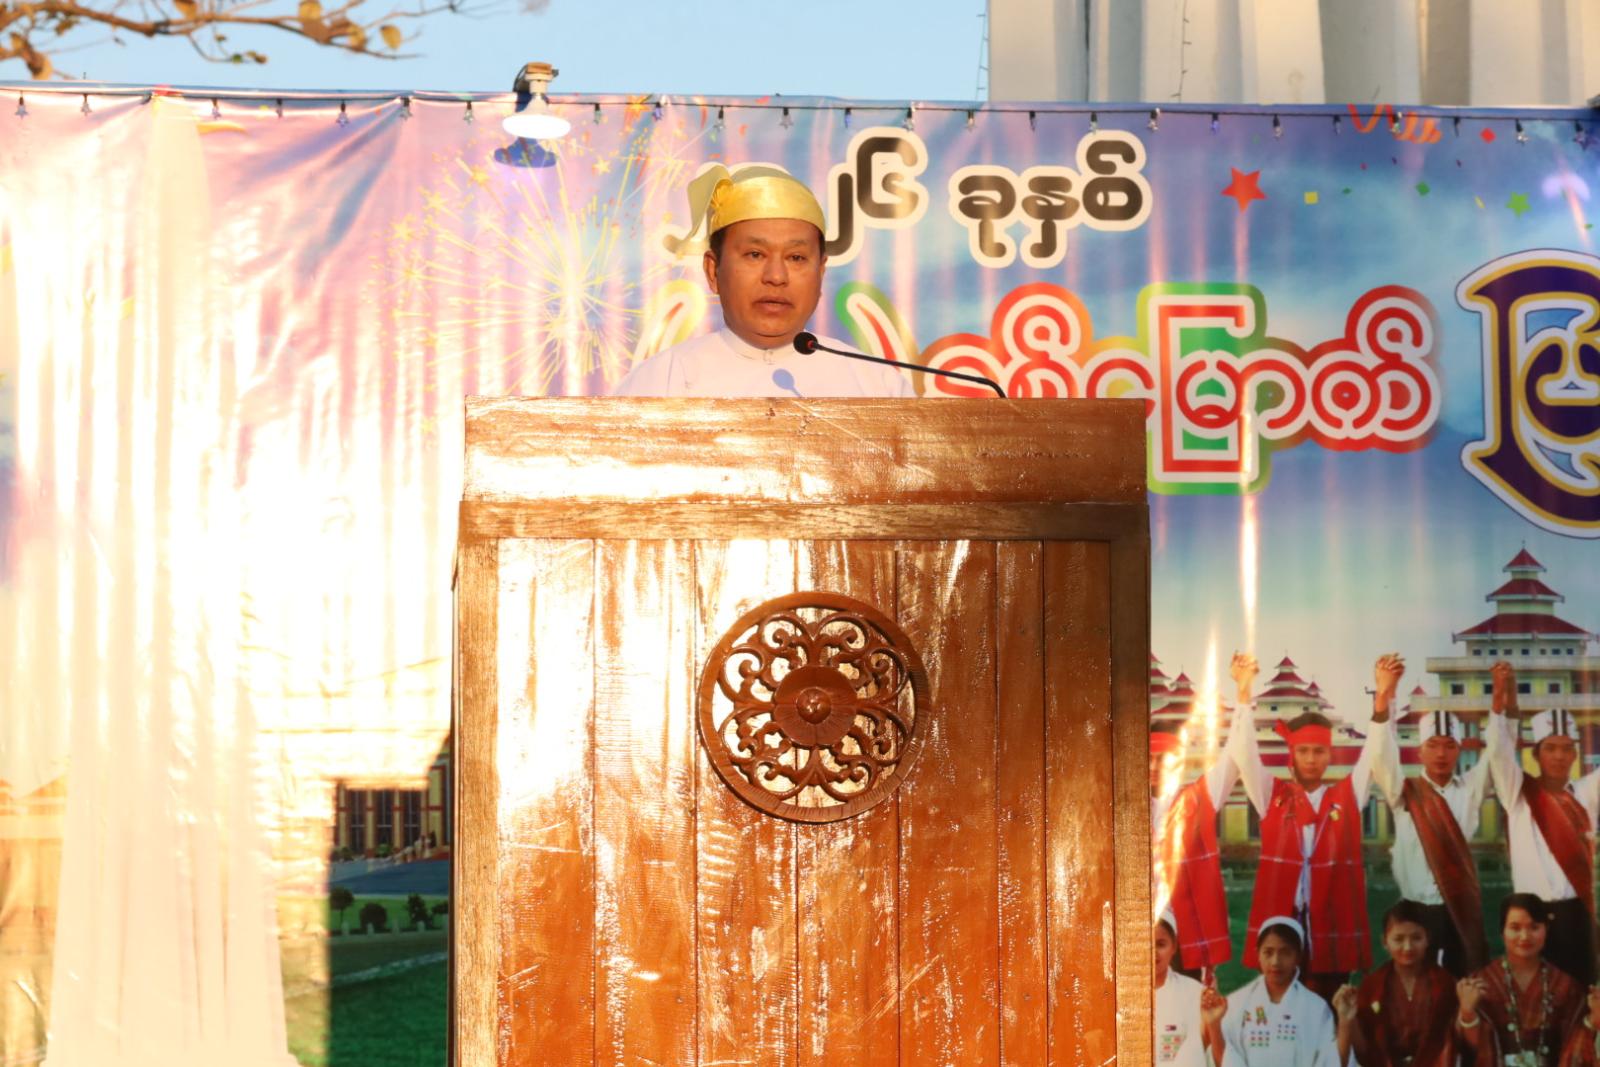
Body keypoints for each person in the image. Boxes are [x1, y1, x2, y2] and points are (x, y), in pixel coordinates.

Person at [612, 163, 913, 398]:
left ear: (821, 273)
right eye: (755, 255)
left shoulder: (876, 385)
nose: (776, 277)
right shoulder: (661, 382)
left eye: (796, 257)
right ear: (713, 271)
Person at [1230, 653, 1380, 1001]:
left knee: (1331, 1007)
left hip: (1331, 920)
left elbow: (1373, 754)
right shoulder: (1273, 796)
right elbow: (1244, 753)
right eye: (1303, 751)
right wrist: (1243, 692)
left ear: (1330, 755)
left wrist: (1382, 701)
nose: (1312, 759)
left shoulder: (1345, 796)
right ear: (1292, 754)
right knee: (1281, 1004)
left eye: (1319, 751)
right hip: (1286, 920)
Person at [1369, 653, 1490, 976]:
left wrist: (1502, 702)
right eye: (1433, 745)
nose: (1441, 753)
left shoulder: (1470, 789)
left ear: (1459, 750)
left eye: (1449, 745)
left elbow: (1498, 753)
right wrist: (1384, 696)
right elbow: (1381, 757)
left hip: (1460, 907)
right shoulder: (1404, 793)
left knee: (1464, 981)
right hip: (1416, 910)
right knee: (1418, 987)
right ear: (1420, 751)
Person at [1485, 660, 1600, 988]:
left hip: (1578, 916)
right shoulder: (1518, 794)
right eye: (1550, 748)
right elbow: (1499, 752)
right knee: (1533, 996)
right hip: (1530, 918)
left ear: (1575, 755)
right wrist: (1501, 696)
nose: (1559, 756)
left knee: (1581, 997)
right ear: (1536, 754)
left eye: (1566, 749)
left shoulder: (1587, 793)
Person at [1152, 654, 1260, 979]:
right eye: (1149, 757)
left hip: (1185, 928)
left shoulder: (1196, 798)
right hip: (1139, 927)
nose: (1155, 766)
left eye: (1164, 758)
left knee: (1191, 1000)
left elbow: (1235, 757)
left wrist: (1243, 693)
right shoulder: (1124, 808)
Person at [1454, 892, 1597, 1066]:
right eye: (1515, 928)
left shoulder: (1566, 986)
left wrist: (1593, 1020)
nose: (1525, 936)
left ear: (1546, 930)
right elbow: (1469, 1050)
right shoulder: (1481, 983)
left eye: (1534, 927)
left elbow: (1576, 1050)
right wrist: (1467, 1013)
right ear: (1502, 932)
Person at [1219, 916, 1357, 1066]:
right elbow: (1226, 1057)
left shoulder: (1316, 1008)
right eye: (1268, 952)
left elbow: (1332, 1062)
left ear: (1298, 957)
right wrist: (1213, 1024)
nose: (1276, 961)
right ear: (1258, 954)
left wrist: (1345, 1021)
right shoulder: (1237, 1003)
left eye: (1285, 952)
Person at [1350, 899, 1459, 1067]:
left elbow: (1455, 1041)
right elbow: (1363, 1050)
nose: (1407, 947)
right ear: (1385, 941)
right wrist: (1348, 1019)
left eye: (1416, 938)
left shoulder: (1445, 984)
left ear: (1427, 939)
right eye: (1398, 939)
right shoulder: (1371, 986)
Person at [1156, 913, 1228, 1066]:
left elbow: (1221, 1061)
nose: (1151, 952)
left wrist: (1213, 1025)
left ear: (1174, 946)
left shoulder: (1196, 994)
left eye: (1160, 944)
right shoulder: (1115, 995)